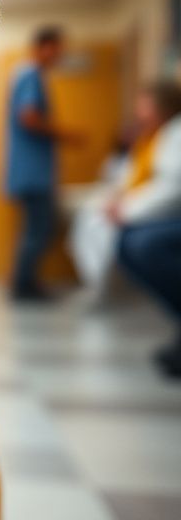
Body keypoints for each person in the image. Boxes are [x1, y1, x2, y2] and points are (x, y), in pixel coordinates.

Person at [4, 26, 81, 301]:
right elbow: (28, 117)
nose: (60, 55)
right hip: (32, 173)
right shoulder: (30, 74)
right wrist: (65, 134)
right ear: (44, 46)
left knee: (35, 229)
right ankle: (24, 288)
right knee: (39, 230)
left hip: (28, 172)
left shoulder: (24, 74)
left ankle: (24, 284)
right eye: (58, 48)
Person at [111, 80, 181, 378]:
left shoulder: (174, 133)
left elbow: (172, 187)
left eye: (145, 104)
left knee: (144, 244)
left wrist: (126, 210)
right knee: (128, 242)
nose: (140, 112)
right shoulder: (160, 135)